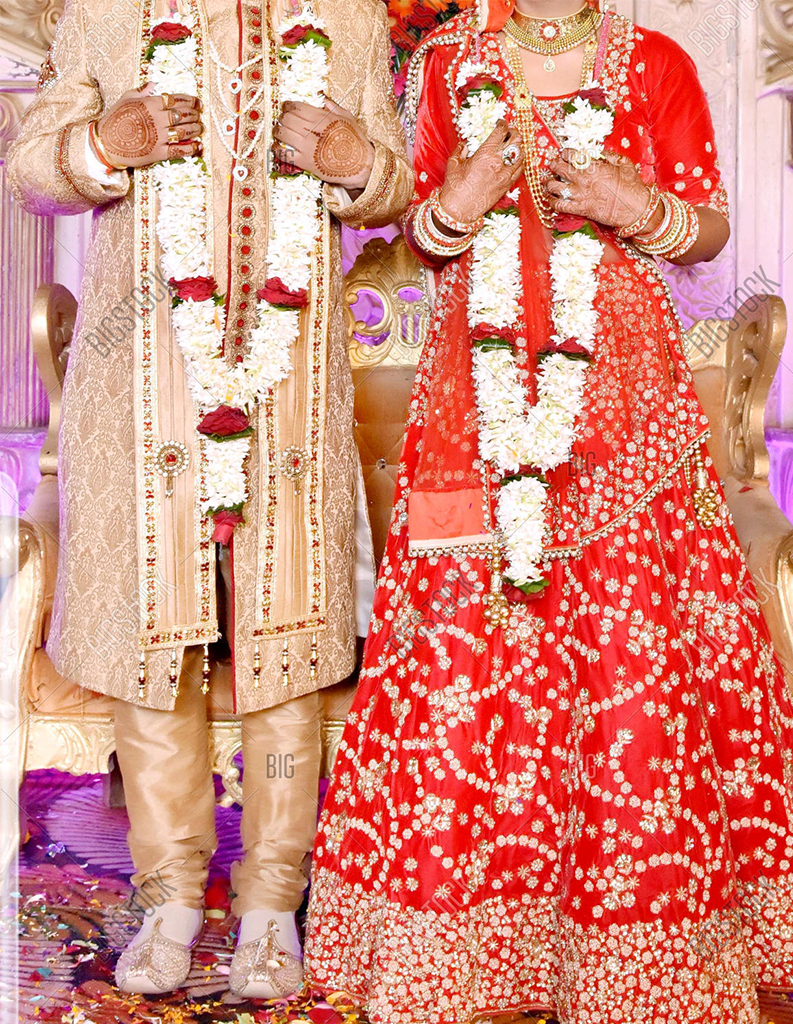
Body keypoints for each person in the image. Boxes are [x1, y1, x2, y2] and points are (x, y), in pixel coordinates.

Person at [302, 1, 793, 1021]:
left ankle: (633, 959)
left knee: (629, 661)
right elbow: (419, 239)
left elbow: (708, 229)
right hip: (472, 412)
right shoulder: (446, 65)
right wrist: (459, 197)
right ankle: (466, 956)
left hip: (626, 413)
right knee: (465, 656)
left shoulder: (653, 62)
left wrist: (633, 204)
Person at [7, 0, 411, 998]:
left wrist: (355, 160)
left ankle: (272, 905)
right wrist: (104, 144)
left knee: (287, 634)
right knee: (157, 637)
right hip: (141, 382)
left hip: (291, 388)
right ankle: (172, 898)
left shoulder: (349, 18)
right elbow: (29, 169)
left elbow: (397, 185)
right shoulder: (106, 12)